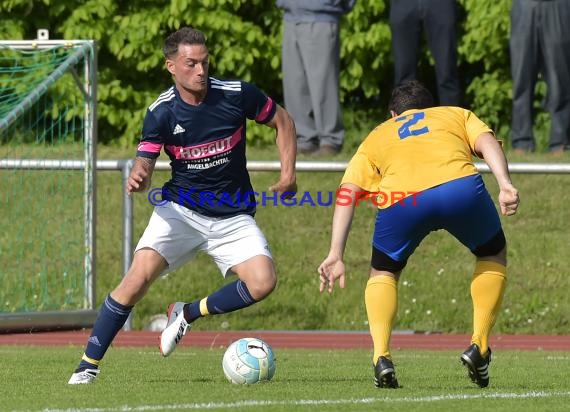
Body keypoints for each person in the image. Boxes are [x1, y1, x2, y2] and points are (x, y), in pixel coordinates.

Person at [68, 26, 297, 384]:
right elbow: (146, 157)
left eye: (205, 62)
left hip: (233, 216)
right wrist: (141, 175)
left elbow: (282, 120)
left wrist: (288, 175)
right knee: (136, 280)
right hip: (180, 212)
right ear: (171, 66)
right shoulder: (160, 111)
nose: (201, 71)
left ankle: (187, 313)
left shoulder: (236, 94)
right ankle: (87, 367)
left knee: (263, 281)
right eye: (191, 64)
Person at [317, 80, 519, 389]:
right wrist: (504, 183)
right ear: (432, 108)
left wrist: (335, 253)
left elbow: (348, 191)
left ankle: (381, 357)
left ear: (392, 113)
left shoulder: (378, 134)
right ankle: (479, 345)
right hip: (459, 186)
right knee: (492, 253)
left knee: (383, 271)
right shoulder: (454, 114)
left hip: (402, 200)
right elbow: (487, 141)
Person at [276, 0, 356, 155]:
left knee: (323, 84)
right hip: (291, 16)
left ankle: (330, 140)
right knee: (295, 84)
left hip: (321, 16)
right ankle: (304, 138)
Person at [510, 0, 570, 153]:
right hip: (524, 5)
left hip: (558, 4)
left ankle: (560, 141)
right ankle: (522, 141)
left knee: (561, 79)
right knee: (521, 77)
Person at [389, 0, 461, 106]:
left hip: (440, 4)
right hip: (402, 4)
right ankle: (404, 120)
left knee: (447, 73)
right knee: (403, 78)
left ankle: (452, 121)